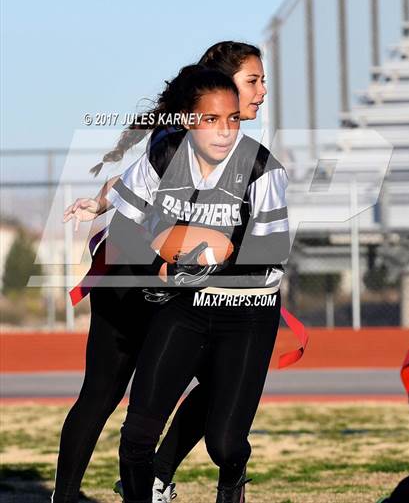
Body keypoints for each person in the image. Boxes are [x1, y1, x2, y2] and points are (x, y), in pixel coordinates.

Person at [53, 43, 270, 503]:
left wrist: (101, 200)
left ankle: (105, 486)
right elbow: (140, 181)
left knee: (125, 390)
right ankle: (146, 478)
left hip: (151, 271)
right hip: (141, 273)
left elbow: (126, 179)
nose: (262, 91)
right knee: (123, 389)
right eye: (253, 81)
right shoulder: (188, 135)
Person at [104, 64, 289, 503]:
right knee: (137, 436)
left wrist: (196, 262)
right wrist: (156, 260)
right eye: (211, 119)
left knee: (223, 444)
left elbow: (267, 256)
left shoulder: (262, 167)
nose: (224, 131)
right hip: (185, 307)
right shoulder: (164, 156)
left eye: (232, 119)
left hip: (249, 310)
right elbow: (123, 234)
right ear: (188, 120)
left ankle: (232, 478)